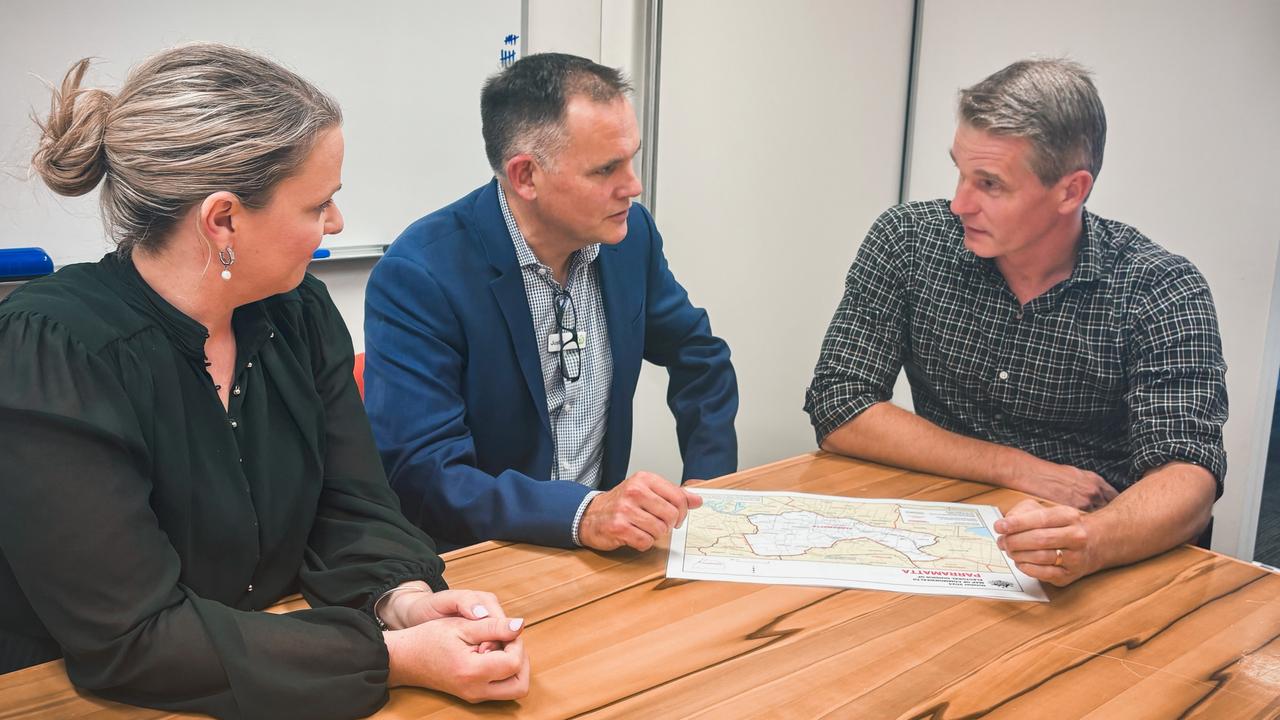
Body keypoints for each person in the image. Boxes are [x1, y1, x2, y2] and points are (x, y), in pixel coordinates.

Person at [0, 44, 528, 717]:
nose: (334, 224)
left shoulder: (296, 311)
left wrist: (404, 600)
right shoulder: (54, 350)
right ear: (222, 219)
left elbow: (351, 505)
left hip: (271, 673)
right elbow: (132, 638)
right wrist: (390, 656)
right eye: (318, 205)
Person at [805, 58, 1227, 586]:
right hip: (944, 533)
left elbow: (1189, 473)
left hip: (1097, 551)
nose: (960, 203)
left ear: (1070, 191)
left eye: (990, 184)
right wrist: (1014, 466)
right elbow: (840, 404)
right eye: (959, 170)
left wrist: (1091, 542)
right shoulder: (909, 241)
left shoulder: (1159, 287)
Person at [365, 53, 738, 553]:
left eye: (632, 158)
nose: (633, 186)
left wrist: (708, 492)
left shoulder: (629, 238)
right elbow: (425, 472)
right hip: (477, 562)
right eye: (607, 169)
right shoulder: (421, 275)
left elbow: (700, 356)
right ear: (525, 177)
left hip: (601, 554)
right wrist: (581, 514)